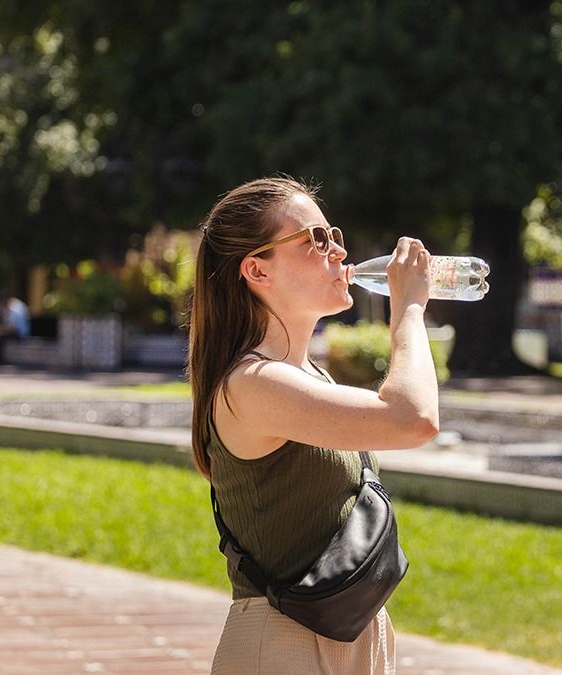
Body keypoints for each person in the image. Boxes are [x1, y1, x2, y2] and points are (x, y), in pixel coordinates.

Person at [188, 177, 439, 674]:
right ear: (257, 269)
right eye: (314, 240)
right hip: (284, 645)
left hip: (347, 634)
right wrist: (408, 309)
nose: (338, 251)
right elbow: (413, 420)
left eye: (334, 235)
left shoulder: (308, 377)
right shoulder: (252, 383)